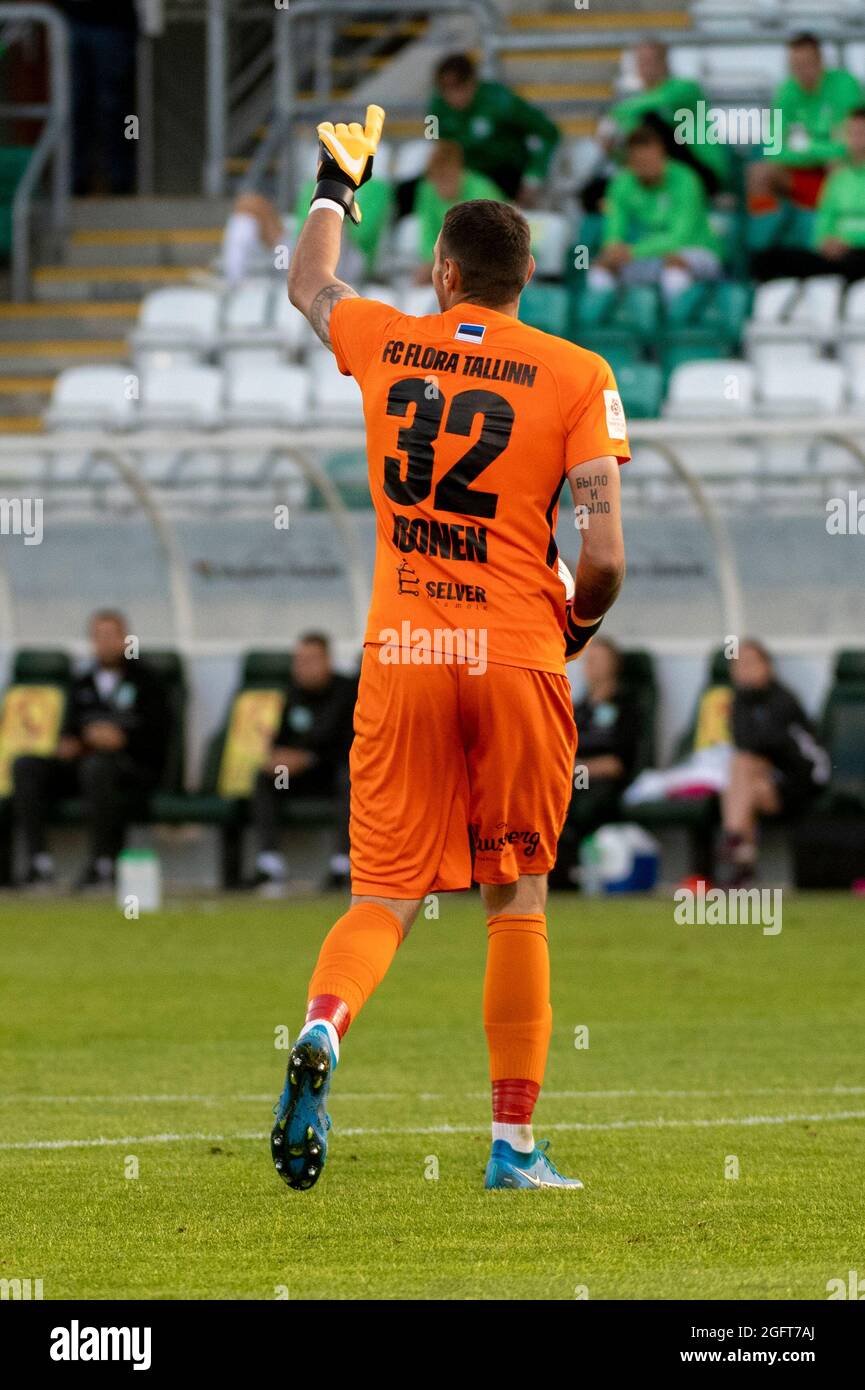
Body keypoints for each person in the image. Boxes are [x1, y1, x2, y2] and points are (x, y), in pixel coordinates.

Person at [271, 105, 628, 1194]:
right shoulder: (574, 372)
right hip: (515, 652)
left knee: (382, 894)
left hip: (404, 653)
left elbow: (307, 285)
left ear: (442, 273)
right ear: (524, 279)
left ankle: (325, 1030)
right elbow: (604, 556)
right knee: (513, 893)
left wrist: (337, 185)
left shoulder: (387, 337)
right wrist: (570, 628)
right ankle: (513, 1148)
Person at [12, 610, 170, 889]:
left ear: (125, 640)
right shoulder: (81, 682)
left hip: (128, 769)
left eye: (112, 636)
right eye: (98, 637)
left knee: (98, 767)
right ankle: (39, 862)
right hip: (83, 766)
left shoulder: (148, 682)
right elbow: (70, 731)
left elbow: (159, 738)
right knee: (26, 765)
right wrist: (70, 743)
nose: (105, 643)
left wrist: (122, 739)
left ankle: (103, 863)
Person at [249, 633, 357, 894]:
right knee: (267, 777)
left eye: (310, 660)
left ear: (328, 661)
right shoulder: (291, 693)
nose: (303, 667)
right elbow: (280, 739)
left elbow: (352, 745)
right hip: (298, 777)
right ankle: (269, 864)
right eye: (298, 661)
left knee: (350, 778)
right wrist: (275, 757)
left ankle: (342, 866)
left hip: (334, 772)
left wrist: (308, 759)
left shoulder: (348, 691)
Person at [720, 640, 829, 888]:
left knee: (743, 766)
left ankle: (734, 841)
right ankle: (742, 861)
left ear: (767, 666)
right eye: (738, 665)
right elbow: (743, 740)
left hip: (802, 781)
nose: (744, 670)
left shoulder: (783, 700)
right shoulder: (740, 701)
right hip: (765, 784)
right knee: (745, 779)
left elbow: (776, 746)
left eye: (750, 663)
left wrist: (760, 762)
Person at [589, 126, 723, 300]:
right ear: (630, 162)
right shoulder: (621, 184)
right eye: (640, 162)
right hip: (644, 256)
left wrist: (633, 251)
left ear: (662, 154)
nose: (648, 167)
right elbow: (613, 230)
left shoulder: (686, 180)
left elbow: (679, 238)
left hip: (696, 251)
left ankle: (677, 324)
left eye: (652, 159)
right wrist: (613, 249)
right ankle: (606, 325)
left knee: (674, 264)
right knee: (602, 267)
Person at [589, 41, 727, 205]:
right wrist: (613, 151)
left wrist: (612, 117)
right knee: (592, 193)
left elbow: (661, 101)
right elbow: (637, 155)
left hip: (700, 173)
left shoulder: (687, 90)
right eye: (641, 61)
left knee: (651, 121)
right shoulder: (636, 110)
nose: (646, 67)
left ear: (665, 63)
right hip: (661, 176)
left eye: (651, 61)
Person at [550, 637, 641, 889]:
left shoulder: (626, 707)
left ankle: (567, 875)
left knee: (572, 799)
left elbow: (618, 763)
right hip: (568, 776)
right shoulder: (578, 708)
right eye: (588, 660)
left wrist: (576, 768)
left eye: (598, 660)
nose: (590, 666)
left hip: (603, 782)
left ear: (615, 665)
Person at [747, 33, 862, 217]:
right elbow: (773, 149)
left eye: (806, 64)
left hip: (839, 174)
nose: (801, 71)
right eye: (795, 66)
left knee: (838, 165)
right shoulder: (785, 92)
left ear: (820, 61)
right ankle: (764, 237)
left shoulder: (845, 86)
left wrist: (803, 146)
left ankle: (842, 228)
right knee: (759, 173)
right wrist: (824, 149)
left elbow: (850, 145)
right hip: (801, 176)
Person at [429, 53, 560, 204]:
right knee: (413, 190)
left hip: (504, 169)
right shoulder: (435, 107)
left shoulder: (502, 101)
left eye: (459, 88)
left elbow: (548, 132)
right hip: (464, 174)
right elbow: (434, 141)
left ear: (473, 82)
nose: (453, 97)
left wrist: (533, 176)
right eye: (446, 90)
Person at [752, 108, 865, 284]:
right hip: (838, 256)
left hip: (858, 253)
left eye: (862, 133)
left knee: (854, 260)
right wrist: (826, 243)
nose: (857, 140)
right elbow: (823, 225)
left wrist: (849, 243)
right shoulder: (838, 178)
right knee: (766, 260)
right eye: (852, 133)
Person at [54, 1, 140, 195]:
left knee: (121, 110)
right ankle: (75, 178)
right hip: (72, 21)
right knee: (75, 107)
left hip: (116, 24)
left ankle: (123, 177)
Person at [412, 142, 503, 283]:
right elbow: (427, 233)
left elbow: (488, 240)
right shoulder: (427, 190)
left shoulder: (481, 191)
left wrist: (445, 264)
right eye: (437, 179)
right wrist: (433, 262)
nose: (441, 185)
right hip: (448, 262)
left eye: (447, 177)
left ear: (459, 171)